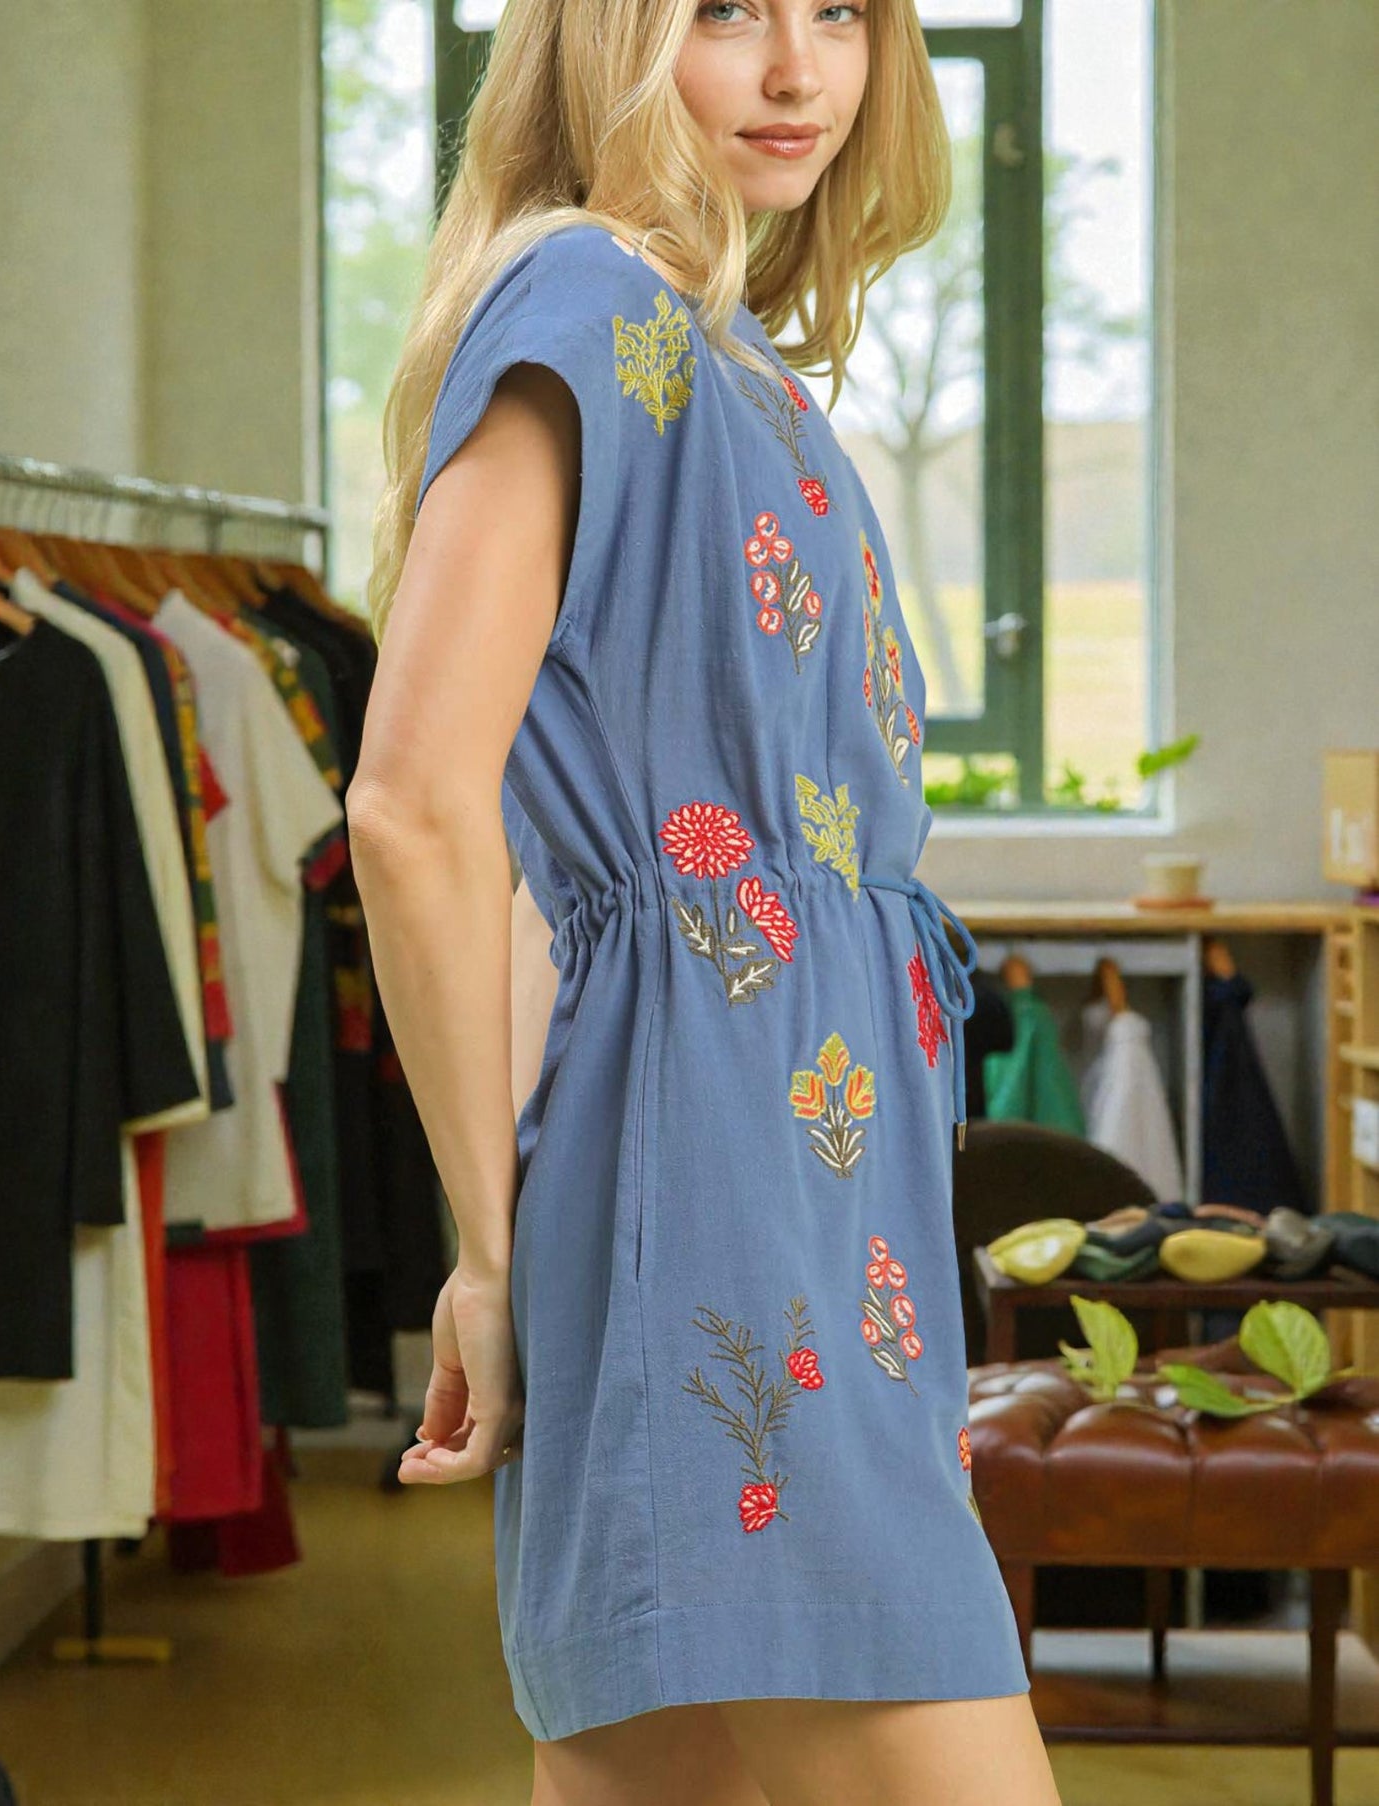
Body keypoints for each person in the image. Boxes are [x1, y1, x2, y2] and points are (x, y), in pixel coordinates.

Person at [350, 2, 1063, 1802]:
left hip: (786, 1182)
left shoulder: (714, 346)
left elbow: (546, 872)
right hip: (723, 1196)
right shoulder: (586, 305)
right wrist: (495, 1250)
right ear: (608, 38)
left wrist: (503, 1231)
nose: (800, 69)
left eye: (840, 12)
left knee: (652, 1771)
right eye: (727, 10)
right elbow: (419, 806)